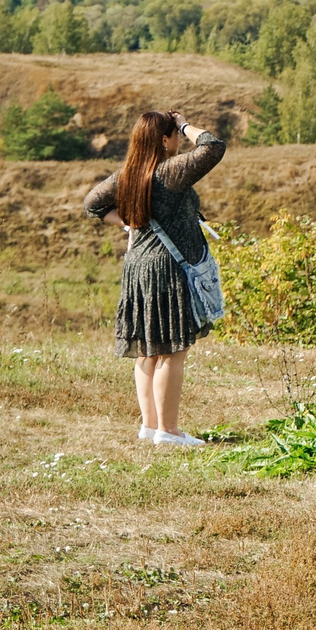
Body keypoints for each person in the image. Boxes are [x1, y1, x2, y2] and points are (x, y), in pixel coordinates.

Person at [85, 110, 227, 447]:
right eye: (174, 135)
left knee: (148, 351)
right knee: (172, 351)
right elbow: (213, 146)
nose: (178, 140)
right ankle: (169, 431)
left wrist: (128, 224)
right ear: (164, 140)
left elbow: (92, 204)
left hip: (138, 267)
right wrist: (185, 124)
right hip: (167, 268)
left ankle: (150, 426)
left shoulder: (127, 176)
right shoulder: (170, 172)